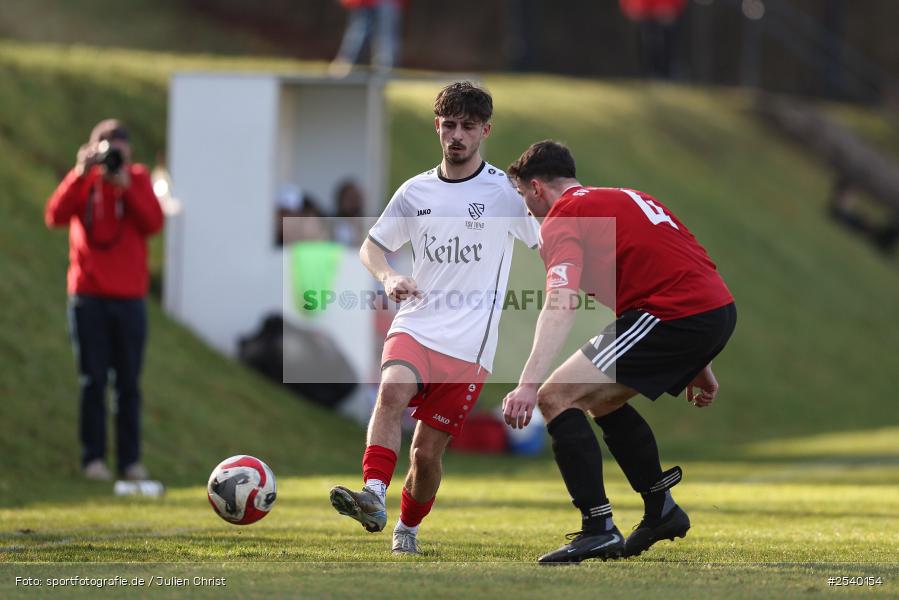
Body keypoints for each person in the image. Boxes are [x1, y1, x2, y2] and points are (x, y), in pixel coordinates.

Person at [329, 82, 539, 554]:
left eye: (468, 126)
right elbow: (372, 246)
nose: (457, 136)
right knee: (390, 392)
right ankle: (374, 494)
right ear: (437, 127)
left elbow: (547, 241)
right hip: (417, 323)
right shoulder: (415, 191)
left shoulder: (506, 194)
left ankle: (407, 527)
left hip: (470, 345)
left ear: (485, 130)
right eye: (449, 125)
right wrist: (387, 278)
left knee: (426, 455)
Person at [502, 140, 736, 563]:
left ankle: (598, 529)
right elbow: (680, 266)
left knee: (554, 397)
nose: (528, 209)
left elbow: (561, 302)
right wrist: (702, 363)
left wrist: (526, 384)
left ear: (536, 187)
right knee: (599, 402)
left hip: (674, 314)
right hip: (711, 310)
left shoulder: (563, 217)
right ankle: (661, 510)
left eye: (522, 197)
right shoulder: (629, 197)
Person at [45, 119, 164, 481]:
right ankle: (92, 460)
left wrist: (126, 187)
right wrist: (80, 173)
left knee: (128, 384)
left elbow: (154, 223)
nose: (112, 151)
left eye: (119, 144)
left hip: (129, 300)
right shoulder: (85, 180)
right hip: (88, 296)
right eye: (105, 144)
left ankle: (130, 463)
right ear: (91, 147)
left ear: (129, 150)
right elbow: (54, 216)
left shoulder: (138, 178)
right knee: (92, 381)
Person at [329, 0, 406, 77]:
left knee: (384, 35)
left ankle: (384, 67)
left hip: (386, 3)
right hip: (364, 3)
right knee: (356, 32)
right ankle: (344, 63)